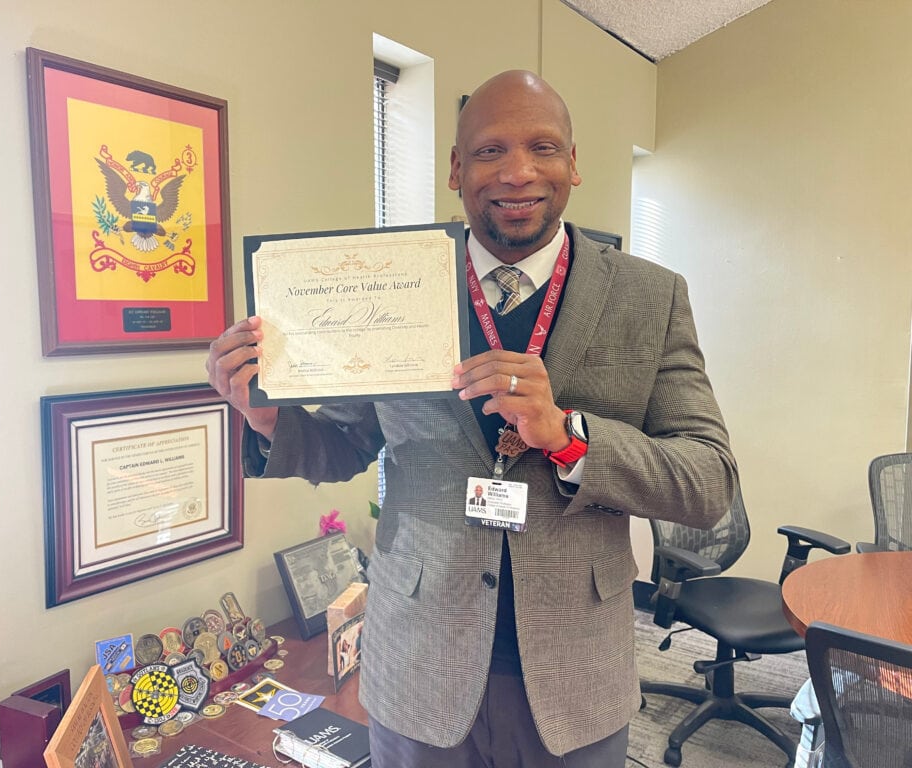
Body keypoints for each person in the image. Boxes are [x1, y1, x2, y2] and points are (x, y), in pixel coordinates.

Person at [207, 70, 737, 768]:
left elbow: (707, 482)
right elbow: (341, 445)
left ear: (574, 163)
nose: (518, 172)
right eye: (490, 151)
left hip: (575, 679)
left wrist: (570, 437)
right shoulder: (389, 282)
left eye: (542, 147)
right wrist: (265, 418)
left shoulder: (650, 297)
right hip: (419, 667)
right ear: (456, 169)